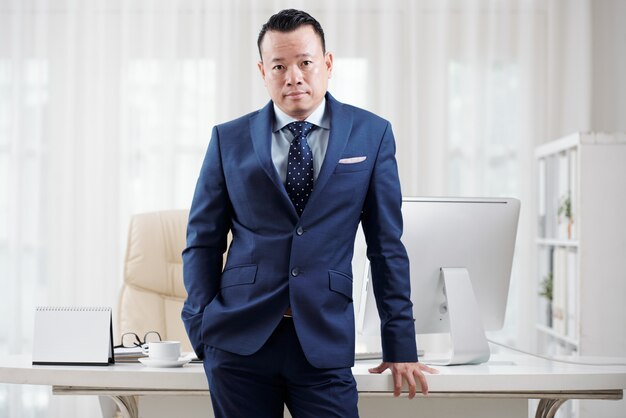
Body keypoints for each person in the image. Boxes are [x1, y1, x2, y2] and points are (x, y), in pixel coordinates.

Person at [182, 9, 436, 418]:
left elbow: (386, 246)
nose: (293, 76)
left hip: (323, 338)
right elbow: (202, 242)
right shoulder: (227, 139)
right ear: (263, 71)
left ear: (328, 64)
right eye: (279, 66)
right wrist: (201, 326)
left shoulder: (372, 134)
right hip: (238, 342)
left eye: (305, 62)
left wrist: (400, 343)